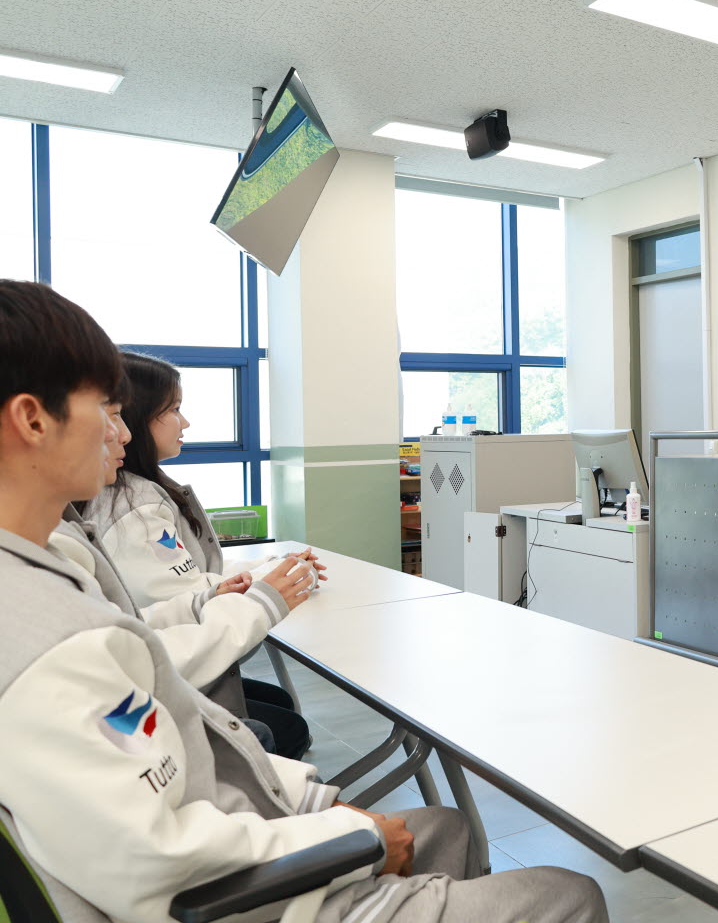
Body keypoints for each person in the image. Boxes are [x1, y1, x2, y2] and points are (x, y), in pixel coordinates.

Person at [0, 279, 608, 923]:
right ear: (33, 419)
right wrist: (357, 836)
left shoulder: (50, 565)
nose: (117, 431)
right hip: (248, 898)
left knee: (445, 827)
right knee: (569, 896)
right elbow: (156, 859)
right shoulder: (47, 641)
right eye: (105, 406)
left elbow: (192, 738)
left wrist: (315, 803)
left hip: (230, 834)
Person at [54, 390, 312, 753]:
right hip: (152, 697)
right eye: (174, 409)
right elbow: (149, 640)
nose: (121, 433)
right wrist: (263, 595)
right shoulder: (132, 504)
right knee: (282, 727)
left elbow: (153, 606)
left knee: (278, 705)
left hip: (153, 679)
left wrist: (266, 572)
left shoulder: (94, 512)